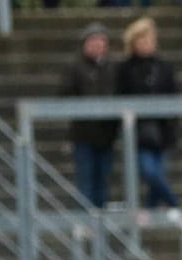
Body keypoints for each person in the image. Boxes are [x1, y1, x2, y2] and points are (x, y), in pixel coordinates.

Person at [116, 17, 180, 212]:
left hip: (162, 130)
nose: (147, 44)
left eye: (150, 39)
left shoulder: (164, 67)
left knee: (157, 175)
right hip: (138, 131)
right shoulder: (126, 69)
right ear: (133, 43)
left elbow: (175, 95)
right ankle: (176, 204)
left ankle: (150, 213)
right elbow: (120, 97)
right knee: (150, 172)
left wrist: (171, 123)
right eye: (142, 40)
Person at [61, 23, 119, 209]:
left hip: (106, 134)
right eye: (93, 41)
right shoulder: (75, 68)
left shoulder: (113, 68)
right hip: (83, 135)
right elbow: (64, 94)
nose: (97, 45)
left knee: (103, 180)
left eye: (101, 41)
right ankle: (87, 222)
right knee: (86, 181)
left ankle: (100, 220)